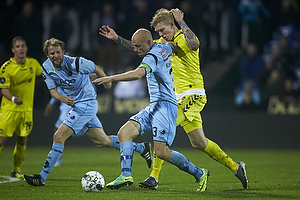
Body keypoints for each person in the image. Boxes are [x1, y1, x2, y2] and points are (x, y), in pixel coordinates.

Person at [99, 8, 248, 190]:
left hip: (192, 94)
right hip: (176, 97)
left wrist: (181, 21)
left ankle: (154, 177)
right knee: (199, 143)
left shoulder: (184, 38)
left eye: (163, 30)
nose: (161, 35)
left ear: (172, 25)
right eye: (158, 33)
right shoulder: (164, 44)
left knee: (159, 132)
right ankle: (235, 167)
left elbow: (194, 45)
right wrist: (116, 39)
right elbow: (141, 47)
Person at [23, 38, 152, 186]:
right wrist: (64, 99)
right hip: (76, 105)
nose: (55, 55)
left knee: (58, 136)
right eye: (52, 53)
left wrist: (107, 81)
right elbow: (53, 91)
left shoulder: (75, 63)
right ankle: (141, 148)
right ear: (47, 55)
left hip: (86, 103)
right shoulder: (46, 68)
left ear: (63, 52)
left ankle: (42, 177)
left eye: (58, 52)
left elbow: (96, 68)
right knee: (102, 141)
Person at [93, 28, 209, 192]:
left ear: (149, 43)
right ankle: (126, 175)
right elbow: (173, 46)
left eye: (138, 46)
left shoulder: (152, 56)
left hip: (166, 108)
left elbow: (137, 74)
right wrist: (117, 38)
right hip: (154, 105)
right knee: (124, 133)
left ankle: (199, 173)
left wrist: (111, 77)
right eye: (134, 46)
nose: (135, 50)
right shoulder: (163, 47)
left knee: (162, 153)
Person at [0, 36, 43, 178]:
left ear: (26, 48)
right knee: (1, 140)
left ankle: (16, 170)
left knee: (22, 139)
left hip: (26, 110)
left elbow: (44, 74)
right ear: (13, 50)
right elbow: (3, 89)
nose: (21, 49)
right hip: (9, 109)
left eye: (23, 46)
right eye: (17, 46)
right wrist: (13, 98)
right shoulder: (6, 67)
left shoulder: (33, 64)